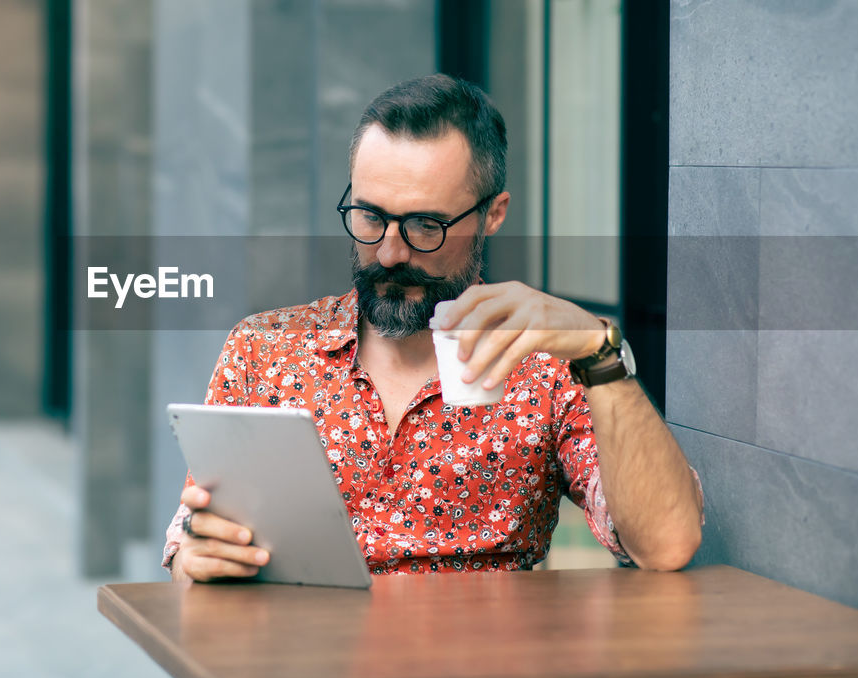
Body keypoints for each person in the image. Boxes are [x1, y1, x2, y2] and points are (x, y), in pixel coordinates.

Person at [163, 74, 703, 589]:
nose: (391, 253)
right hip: (292, 669)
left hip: (468, 674)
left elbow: (665, 545)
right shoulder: (264, 351)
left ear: (493, 215)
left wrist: (599, 354)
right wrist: (196, 556)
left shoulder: (548, 366)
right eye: (370, 217)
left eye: (426, 226)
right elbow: (189, 550)